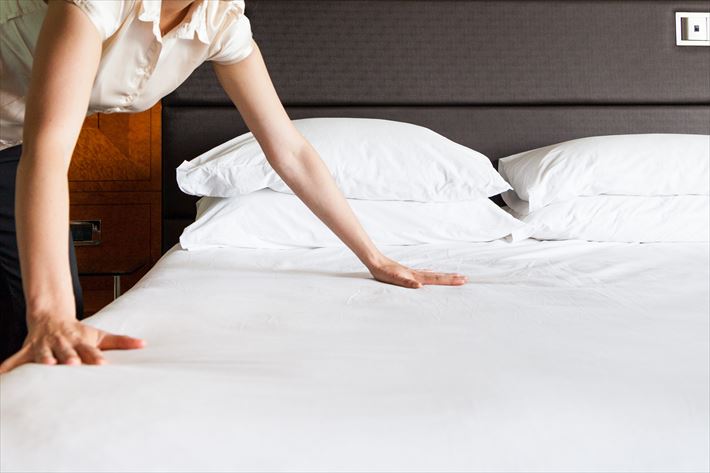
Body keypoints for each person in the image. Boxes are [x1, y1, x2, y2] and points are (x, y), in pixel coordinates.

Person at [0, 0, 467, 373]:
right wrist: (51, 314)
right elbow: (50, 152)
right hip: (28, 147)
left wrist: (375, 258)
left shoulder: (219, 21)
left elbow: (290, 152)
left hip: (9, 144)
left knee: (50, 337)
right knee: (50, 317)